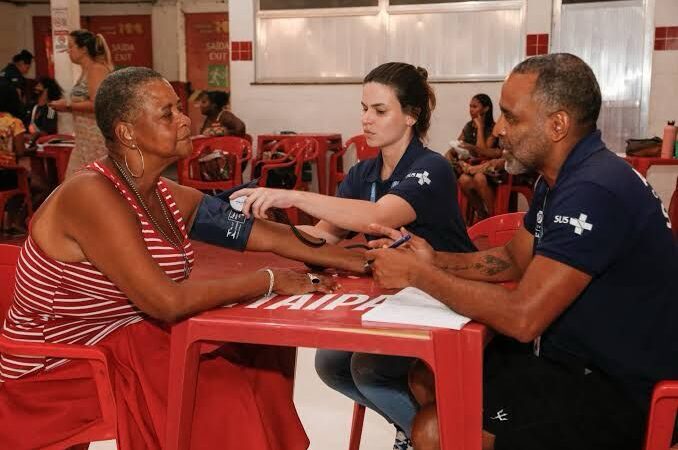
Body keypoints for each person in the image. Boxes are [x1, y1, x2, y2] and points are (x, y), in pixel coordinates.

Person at [0, 67, 369, 450]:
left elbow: (259, 234)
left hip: (122, 337)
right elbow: (166, 302)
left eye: (179, 109)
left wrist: (351, 259)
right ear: (127, 132)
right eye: (167, 113)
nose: (184, 120)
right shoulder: (91, 195)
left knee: (258, 360)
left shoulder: (163, 193)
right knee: (220, 388)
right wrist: (269, 281)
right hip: (60, 362)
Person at [367, 53, 678, 450]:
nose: (497, 130)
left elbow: (523, 317)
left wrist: (419, 276)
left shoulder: (593, 190)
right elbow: (514, 259)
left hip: (620, 388)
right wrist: (432, 259)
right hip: (568, 359)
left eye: (511, 117)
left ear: (557, 124)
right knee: (425, 377)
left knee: (435, 430)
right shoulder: (562, 178)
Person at [231, 62, 475, 450]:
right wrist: (251, 228)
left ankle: (437, 438)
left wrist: (291, 195)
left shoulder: (431, 168)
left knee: (369, 368)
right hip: (404, 297)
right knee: (329, 364)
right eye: (364, 108)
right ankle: (414, 429)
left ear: (411, 115)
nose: (366, 119)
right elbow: (321, 236)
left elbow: (379, 217)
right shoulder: (363, 173)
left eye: (380, 111)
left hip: (452, 295)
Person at [49, 29, 113, 178]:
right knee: (76, 183)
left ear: (83, 49)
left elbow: (97, 104)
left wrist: (67, 105)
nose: (68, 51)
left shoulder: (96, 69)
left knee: (90, 183)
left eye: (71, 46)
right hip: (84, 139)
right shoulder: (85, 72)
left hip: (95, 137)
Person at [447, 94, 503, 220]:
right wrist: (455, 151)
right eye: (470, 106)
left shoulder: (492, 128)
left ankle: (492, 217)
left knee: (479, 178)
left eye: (475, 106)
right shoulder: (468, 126)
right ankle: (481, 213)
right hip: (470, 167)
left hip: (489, 170)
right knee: (463, 180)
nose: (471, 110)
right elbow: (458, 144)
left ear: (486, 109)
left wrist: (480, 128)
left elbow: (482, 151)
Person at [0, 83, 28, 233]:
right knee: (36, 184)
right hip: (7, 172)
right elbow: (21, 151)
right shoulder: (14, 122)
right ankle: (13, 222)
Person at [26, 77, 63, 144]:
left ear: (46, 89)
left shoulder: (50, 109)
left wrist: (34, 135)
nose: (36, 87)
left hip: (43, 143)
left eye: (39, 85)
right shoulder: (32, 106)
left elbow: (48, 131)